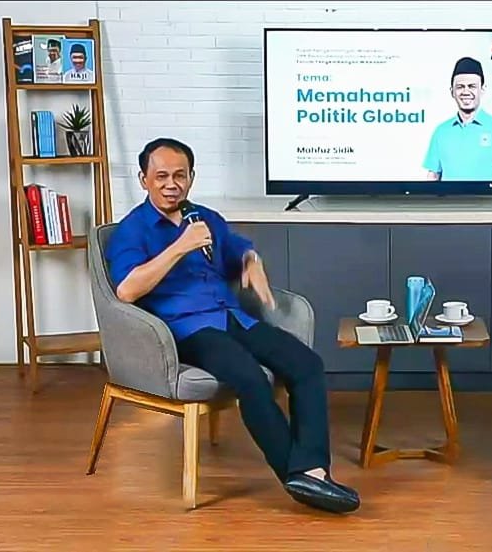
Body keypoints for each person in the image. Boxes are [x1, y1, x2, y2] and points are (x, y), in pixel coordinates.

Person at [105, 137, 361, 515]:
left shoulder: (204, 218)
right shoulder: (132, 230)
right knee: (249, 377)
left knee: (307, 364)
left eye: (180, 175)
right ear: (144, 179)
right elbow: (127, 290)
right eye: (161, 176)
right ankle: (297, 476)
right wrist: (179, 247)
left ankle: (313, 470)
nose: (171, 184)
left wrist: (250, 259)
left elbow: (236, 247)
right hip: (188, 330)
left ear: (192, 177)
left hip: (232, 316)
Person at [422, 56, 492, 182]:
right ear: (452, 91)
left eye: (472, 86)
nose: (466, 92)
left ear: (482, 89)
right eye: (460, 87)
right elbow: (433, 176)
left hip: (488, 196)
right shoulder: (440, 131)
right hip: (449, 196)